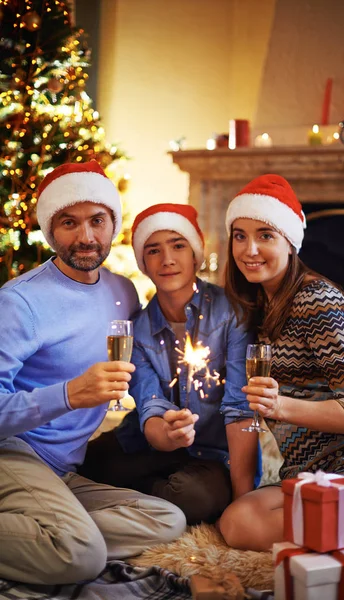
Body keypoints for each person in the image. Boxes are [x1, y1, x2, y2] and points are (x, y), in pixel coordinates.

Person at [0, 161, 186, 586]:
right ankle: (66, 540)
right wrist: (68, 394)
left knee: (168, 519)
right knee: (80, 557)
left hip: (63, 471)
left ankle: (54, 534)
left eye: (97, 221)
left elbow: (135, 371)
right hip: (14, 454)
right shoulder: (18, 303)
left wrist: (158, 412)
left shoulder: (123, 291)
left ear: (112, 224)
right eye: (69, 222)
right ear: (51, 229)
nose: (86, 237)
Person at [218, 173, 344, 573]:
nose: (250, 249)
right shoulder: (259, 306)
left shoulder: (315, 299)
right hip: (305, 470)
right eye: (240, 236)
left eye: (265, 235)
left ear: (289, 242)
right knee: (236, 522)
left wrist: (279, 406)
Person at [80, 203, 259, 525]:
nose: (168, 260)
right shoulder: (138, 328)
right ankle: (142, 500)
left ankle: (127, 500)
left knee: (192, 498)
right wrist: (166, 432)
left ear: (196, 255)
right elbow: (149, 403)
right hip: (148, 445)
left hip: (213, 456)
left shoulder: (232, 314)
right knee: (83, 464)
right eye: (153, 251)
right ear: (144, 264)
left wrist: (242, 499)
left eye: (178, 245)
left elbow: (240, 407)